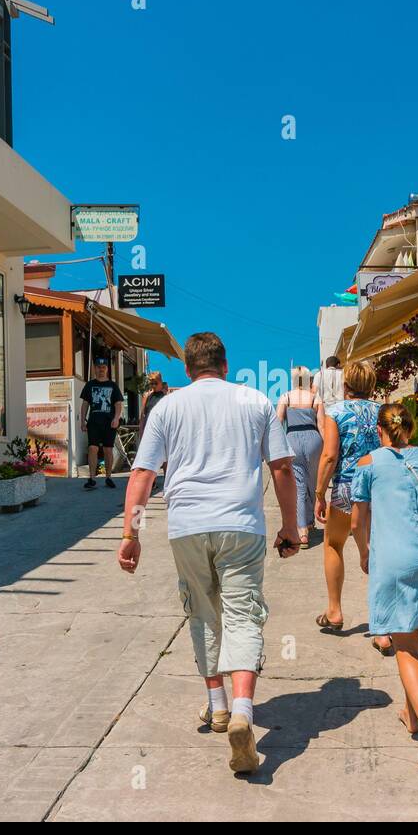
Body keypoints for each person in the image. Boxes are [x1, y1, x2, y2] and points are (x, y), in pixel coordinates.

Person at [118, 332, 301, 776]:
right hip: (241, 525)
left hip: (187, 526)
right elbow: (281, 467)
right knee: (242, 614)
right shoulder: (254, 401)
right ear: (225, 364)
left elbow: (143, 474)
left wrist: (131, 533)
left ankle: (217, 706)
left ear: (188, 368)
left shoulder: (167, 407)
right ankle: (242, 711)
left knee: (201, 612)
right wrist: (290, 526)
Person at [351, 403, 418, 772]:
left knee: (404, 643)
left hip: (396, 555)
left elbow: (357, 520)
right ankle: (411, 713)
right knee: (413, 632)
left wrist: (364, 553)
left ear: (380, 430)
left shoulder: (368, 464)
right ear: (410, 427)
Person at [313, 360, 381, 633]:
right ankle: (382, 623)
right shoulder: (383, 411)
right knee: (378, 551)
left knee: (333, 544)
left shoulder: (336, 411)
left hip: (345, 488)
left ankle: (335, 611)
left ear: (346, 385)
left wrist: (319, 493)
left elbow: (330, 456)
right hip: (377, 488)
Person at [276, 366, 325, 546]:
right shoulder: (315, 398)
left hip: (292, 440)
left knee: (299, 485)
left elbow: (278, 421)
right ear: (307, 379)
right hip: (314, 440)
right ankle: (309, 521)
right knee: (313, 482)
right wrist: (328, 447)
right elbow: (322, 425)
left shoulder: (285, 397)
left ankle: (302, 529)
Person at [80, 357, 124, 490]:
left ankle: (108, 477)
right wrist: (82, 420)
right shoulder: (89, 385)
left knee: (108, 449)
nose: (101, 370)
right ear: (95, 368)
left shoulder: (113, 386)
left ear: (107, 369)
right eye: (99, 367)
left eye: (103, 367)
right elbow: (85, 404)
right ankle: (92, 478)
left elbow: (118, 404)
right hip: (93, 422)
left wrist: (116, 418)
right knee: (92, 448)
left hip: (109, 423)